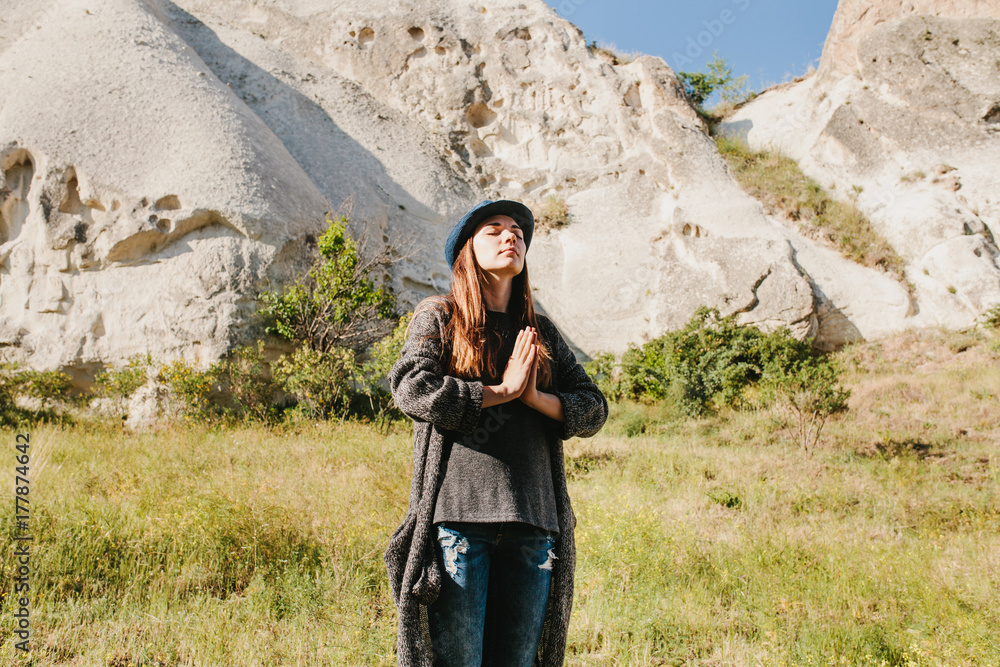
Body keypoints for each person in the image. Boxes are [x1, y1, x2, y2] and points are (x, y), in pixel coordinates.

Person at [385, 199, 609, 667]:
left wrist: (535, 399)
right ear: (467, 250)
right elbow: (412, 387)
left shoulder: (539, 331)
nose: (512, 237)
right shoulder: (441, 316)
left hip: (535, 524)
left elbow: (593, 408)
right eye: (495, 229)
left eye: (518, 232)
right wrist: (501, 390)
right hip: (460, 523)